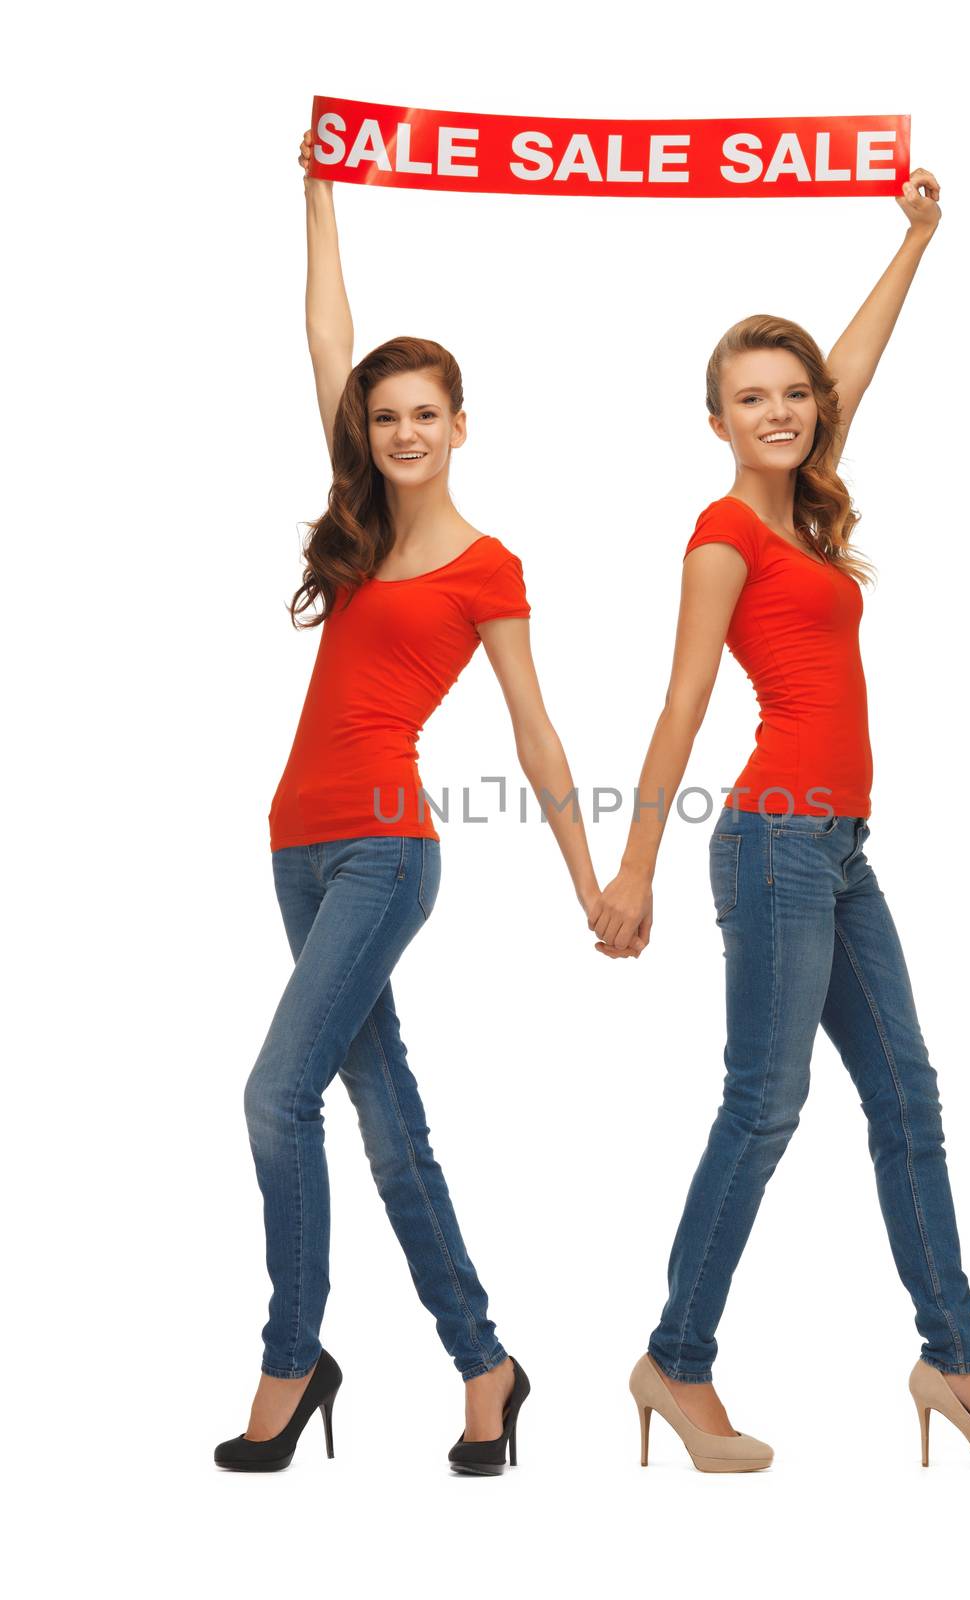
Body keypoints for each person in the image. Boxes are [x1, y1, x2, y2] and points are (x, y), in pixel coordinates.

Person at [590, 169, 970, 1475]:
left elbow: (855, 362)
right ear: (718, 420)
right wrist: (634, 869)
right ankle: (676, 1363)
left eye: (794, 394)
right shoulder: (725, 531)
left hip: (838, 848)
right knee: (767, 1101)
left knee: (908, 1095)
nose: (783, 410)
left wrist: (916, 237)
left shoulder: (806, 500)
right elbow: (682, 703)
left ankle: (954, 1364)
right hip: (775, 842)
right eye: (754, 398)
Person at [214, 128, 603, 1475]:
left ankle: (290, 1358)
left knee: (277, 1097)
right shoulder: (359, 521)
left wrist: (598, 883)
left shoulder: (485, 567)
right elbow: (328, 332)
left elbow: (538, 736)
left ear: (460, 424)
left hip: (385, 850)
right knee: (387, 1124)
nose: (401, 432)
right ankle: (485, 1366)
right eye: (384, 418)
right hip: (296, 848)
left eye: (424, 414)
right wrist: (322, 189)